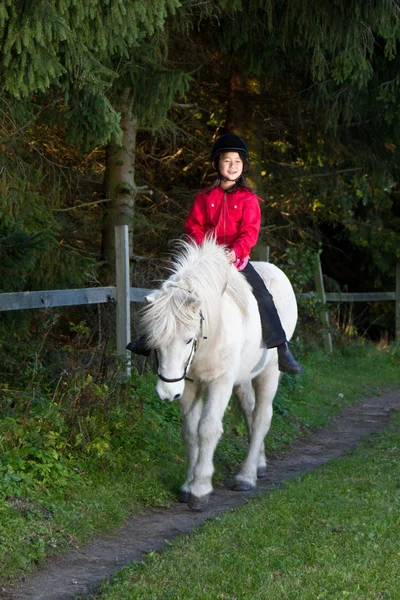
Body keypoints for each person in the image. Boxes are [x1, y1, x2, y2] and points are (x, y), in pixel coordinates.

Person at [128, 133, 302, 375]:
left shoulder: (248, 199)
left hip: (235, 261)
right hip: (205, 260)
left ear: (244, 166)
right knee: (170, 290)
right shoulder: (204, 196)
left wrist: (235, 252)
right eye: (227, 161)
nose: (233, 166)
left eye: (238, 162)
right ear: (217, 164)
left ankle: (281, 348)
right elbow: (193, 227)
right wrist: (206, 249)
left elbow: (250, 232)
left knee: (263, 295)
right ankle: (145, 339)